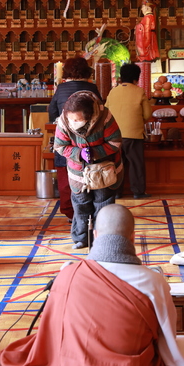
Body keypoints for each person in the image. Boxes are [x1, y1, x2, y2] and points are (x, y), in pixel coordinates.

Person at [0, 204, 184, 366]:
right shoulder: (152, 281)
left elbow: (51, 336)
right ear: (132, 237)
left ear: (95, 235)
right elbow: (168, 345)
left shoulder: (68, 273)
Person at [54, 90, 122, 248]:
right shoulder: (65, 120)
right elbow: (59, 146)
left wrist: (95, 153)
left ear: (89, 115)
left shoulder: (105, 116)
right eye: (71, 118)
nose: (74, 122)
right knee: (80, 204)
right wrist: (78, 153)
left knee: (103, 205)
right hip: (78, 172)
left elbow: (116, 142)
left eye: (77, 119)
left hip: (104, 170)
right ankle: (81, 238)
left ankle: (103, 239)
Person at [48, 57, 101, 221]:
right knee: (90, 175)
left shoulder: (61, 88)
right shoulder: (92, 87)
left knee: (65, 177)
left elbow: (52, 112)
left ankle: (71, 213)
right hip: (90, 140)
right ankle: (90, 213)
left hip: (67, 140)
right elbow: (101, 111)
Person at [105, 62, 152, 199]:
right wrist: (139, 122)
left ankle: (116, 192)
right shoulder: (139, 91)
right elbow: (148, 114)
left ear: (121, 77)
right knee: (136, 164)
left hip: (114, 135)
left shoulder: (113, 91)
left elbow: (106, 111)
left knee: (117, 164)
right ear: (136, 78)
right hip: (133, 135)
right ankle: (138, 192)